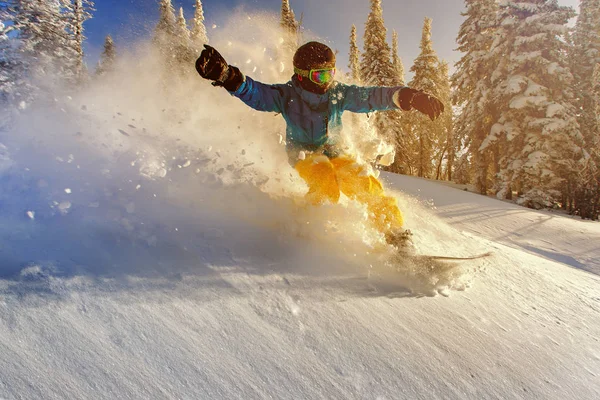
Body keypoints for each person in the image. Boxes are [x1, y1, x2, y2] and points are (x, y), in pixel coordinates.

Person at [195, 41, 443, 246]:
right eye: (320, 74)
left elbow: (370, 97)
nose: (327, 80)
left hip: (336, 150)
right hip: (304, 153)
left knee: (363, 182)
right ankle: (304, 224)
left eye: (331, 73)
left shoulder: (337, 93)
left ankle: (395, 235)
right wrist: (228, 77)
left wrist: (407, 96)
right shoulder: (286, 95)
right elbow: (257, 94)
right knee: (326, 184)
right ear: (303, 76)